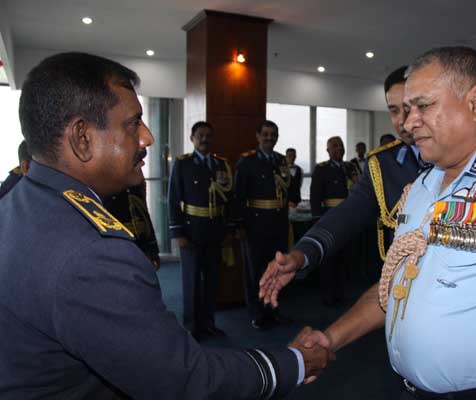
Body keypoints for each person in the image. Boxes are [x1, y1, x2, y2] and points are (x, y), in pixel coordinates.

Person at [0, 52, 333, 399]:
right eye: (133, 123)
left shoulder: (17, 203)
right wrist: (295, 362)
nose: (147, 138)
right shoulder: (93, 253)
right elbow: (186, 379)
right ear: (82, 138)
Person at [287, 46, 476, 399]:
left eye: (423, 106)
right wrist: (331, 338)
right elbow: (397, 285)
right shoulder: (424, 185)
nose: (408, 123)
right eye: (406, 110)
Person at [259, 65, 421, 307]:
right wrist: (301, 254)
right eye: (394, 111)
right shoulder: (384, 163)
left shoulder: (461, 158)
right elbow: (349, 212)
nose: (402, 122)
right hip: (404, 287)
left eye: (409, 108)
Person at [168, 121, 231, 338]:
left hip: (215, 230)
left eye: (208, 135)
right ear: (192, 138)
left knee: (212, 280)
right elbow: (174, 199)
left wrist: (228, 229)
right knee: (192, 281)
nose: (205, 139)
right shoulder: (183, 163)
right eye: (200, 135)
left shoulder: (221, 164)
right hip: (191, 230)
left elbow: (228, 199)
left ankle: (209, 322)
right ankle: (191, 326)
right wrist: (178, 232)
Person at [235, 120, 293, 330]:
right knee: (255, 271)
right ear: (258, 136)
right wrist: (240, 225)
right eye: (266, 134)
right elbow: (238, 196)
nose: (270, 138)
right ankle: (256, 313)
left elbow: (287, 191)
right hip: (255, 224)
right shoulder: (247, 161)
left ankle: (273, 309)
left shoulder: (281, 160)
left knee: (277, 269)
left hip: (278, 223)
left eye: (273, 134)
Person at [310, 136, 359, 305]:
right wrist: (318, 219)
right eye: (335, 146)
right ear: (328, 150)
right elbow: (315, 197)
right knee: (329, 258)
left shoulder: (350, 167)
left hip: (349, 217)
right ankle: (328, 294)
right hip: (330, 217)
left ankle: (342, 292)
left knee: (346, 256)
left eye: (341, 145)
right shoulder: (322, 169)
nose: (339, 149)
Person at [104, 179, 160, 269]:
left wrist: (153, 250)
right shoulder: (106, 189)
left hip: (141, 247)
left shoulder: (135, 188)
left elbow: (145, 218)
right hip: (119, 250)